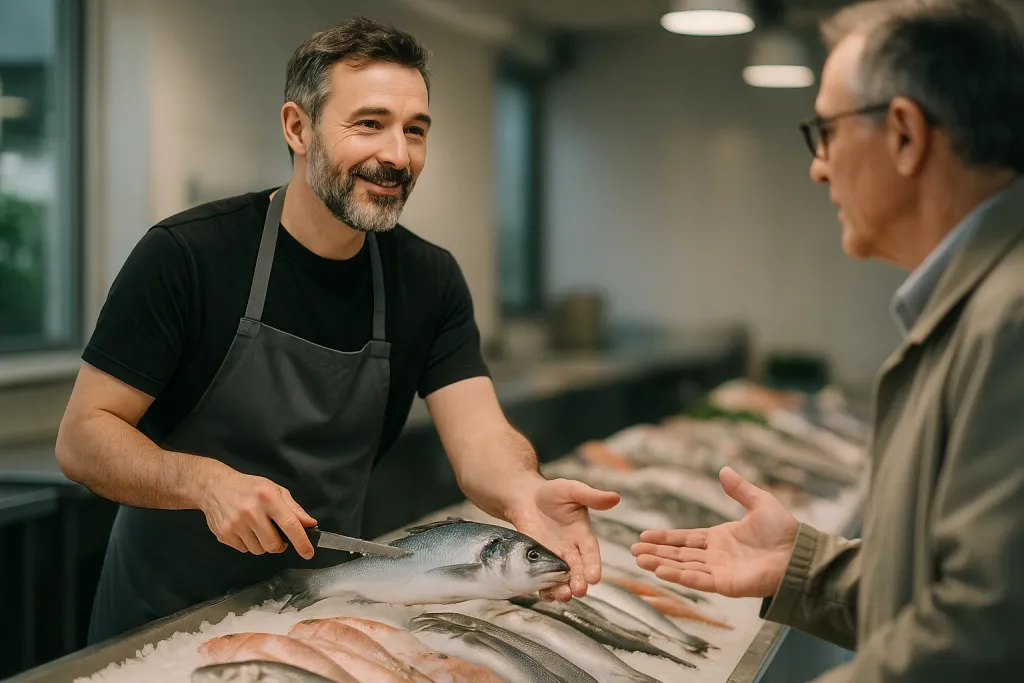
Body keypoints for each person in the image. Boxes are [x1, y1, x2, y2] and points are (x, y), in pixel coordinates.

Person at [56, 17, 619, 644]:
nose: (398, 156)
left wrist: (523, 492)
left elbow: (481, 436)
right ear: (298, 128)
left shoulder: (427, 279)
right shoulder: (188, 255)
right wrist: (204, 482)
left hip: (324, 615)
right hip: (162, 627)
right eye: (369, 124)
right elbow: (83, 437)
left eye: (415, 130)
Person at [631, 0, 1024, 680]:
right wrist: (802, 567)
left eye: (826, 133)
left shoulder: (1010, 317)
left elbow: (988, 628)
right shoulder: (978, 304)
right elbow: (959, 578)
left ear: (904, 135)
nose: (817, 168)